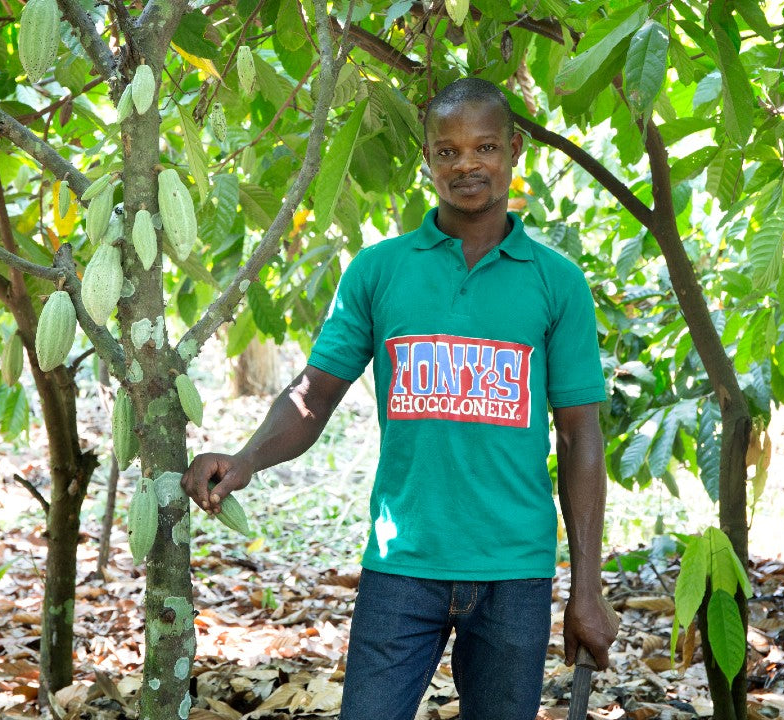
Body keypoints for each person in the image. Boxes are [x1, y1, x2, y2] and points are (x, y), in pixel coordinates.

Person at [182, 77, 617, 720]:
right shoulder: (379, 271)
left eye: (485, 147)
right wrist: (245, 460)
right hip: (403, 561)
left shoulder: (557, 283)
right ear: (427, 160)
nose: (467, 164)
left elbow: (581, 437)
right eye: (448, 151)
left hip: (514, 567)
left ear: (514, 150)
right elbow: (315, 394)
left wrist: (588, 587)